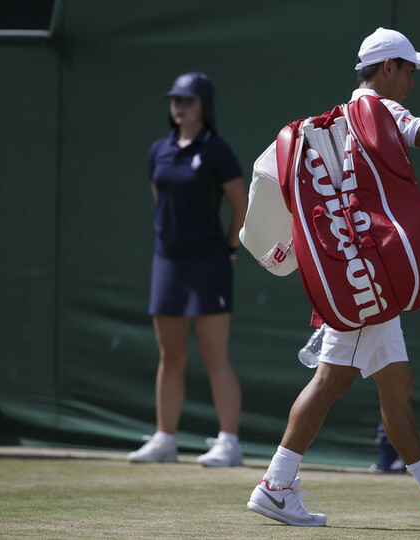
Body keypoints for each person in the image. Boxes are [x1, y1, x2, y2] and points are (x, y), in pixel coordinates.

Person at [247, 25, 420, 526]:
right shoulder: (379, 110)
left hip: (356, 271)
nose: (412, 82)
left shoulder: (341, 121)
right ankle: (276, 486)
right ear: (388, 68)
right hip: (368, 274)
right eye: (409, 70)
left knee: (391, 386)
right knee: (334, 381)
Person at [127, 72, 248, 467]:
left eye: (187, 99)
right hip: (167, 261)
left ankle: (229, 443)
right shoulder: (158, 151)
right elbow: (159, 198)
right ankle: (165, 439)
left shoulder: (217, 151)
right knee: (171, 354)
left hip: (209, 260)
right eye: (174, 99)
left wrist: (229, 247)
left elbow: (241, 205)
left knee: (215, 354)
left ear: (204, 106)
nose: (178, 106)